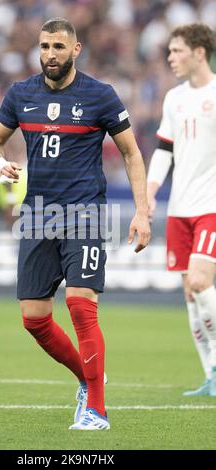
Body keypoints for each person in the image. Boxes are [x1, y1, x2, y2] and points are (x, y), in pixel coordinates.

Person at [0, 18, 150, 430]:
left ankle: (97, 409)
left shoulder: (100, 95)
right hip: (38, 216)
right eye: (44, 46)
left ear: (76, 50)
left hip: (85, 213)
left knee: (80, 306)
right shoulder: (20, 94)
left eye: (58, 46)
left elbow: (131, 153)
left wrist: (142, 211)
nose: (49, 54)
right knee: (34, 319)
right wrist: (0, 162)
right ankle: (86, 378)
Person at [147, 24, 216, 396]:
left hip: (212, 207)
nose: (170, 58)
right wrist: (151, 192)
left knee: (202, 281)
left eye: (177, 51)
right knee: (191, 293)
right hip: (179, 209)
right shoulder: (173, 98)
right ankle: (211, 376)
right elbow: (163, 151)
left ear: (199, 52)